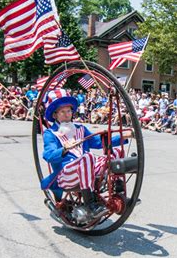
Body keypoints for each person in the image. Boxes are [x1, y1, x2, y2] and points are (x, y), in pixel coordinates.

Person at [41, 89, 133, 222]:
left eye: (69, 111)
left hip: (86, 168)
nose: (67, 115)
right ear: (55, 115)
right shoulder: (50, 133)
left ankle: (118, 193)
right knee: (87, 157)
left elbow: (98, 142)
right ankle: (90, 204)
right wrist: (64, 149)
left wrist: (122, 136)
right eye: (62, 112)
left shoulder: (80, 128)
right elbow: (48, 155)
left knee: (115, 153)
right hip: (66, 175)